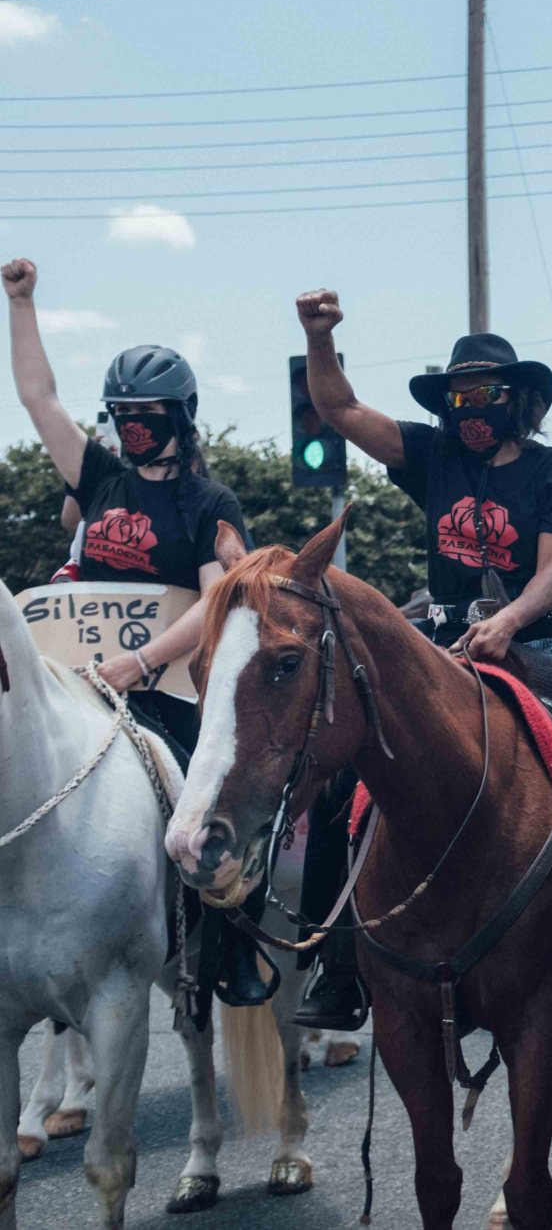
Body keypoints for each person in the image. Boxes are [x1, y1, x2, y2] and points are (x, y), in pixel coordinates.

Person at [290, 289, 552, 1029]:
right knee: (347, 777)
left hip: (540, 637)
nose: (469, 406)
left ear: (517, 398)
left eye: (485, 392)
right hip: (442, 642)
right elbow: (339, 410)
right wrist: (317, 336)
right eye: (458, 393)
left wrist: (511, 622)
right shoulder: (430, 456)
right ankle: (337, 967)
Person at [4, 256, 271, 1007]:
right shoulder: (97, 477)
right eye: (122, 416)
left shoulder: (207, 500)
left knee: (212, 803)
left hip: (164, 689)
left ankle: (233, 945)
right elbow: (37, 396)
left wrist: (143, 661)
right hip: (74, 685)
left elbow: (218, 597)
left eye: (146, 418)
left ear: (179, 422)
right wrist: (21, 302)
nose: (132, 429)